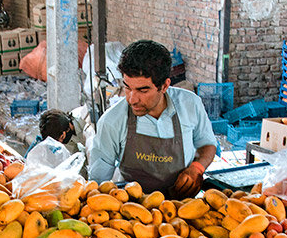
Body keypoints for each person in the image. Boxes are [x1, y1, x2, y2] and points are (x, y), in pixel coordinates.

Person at [88, 39, 217, 197]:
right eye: (127, 87)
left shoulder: (190, 104)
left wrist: (197, 168)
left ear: (164, 86)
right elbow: (98, 183)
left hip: (182, 207)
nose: (132, 99)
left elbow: (208, 145)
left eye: (143, 90)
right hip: (132, 209)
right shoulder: (112, 121)